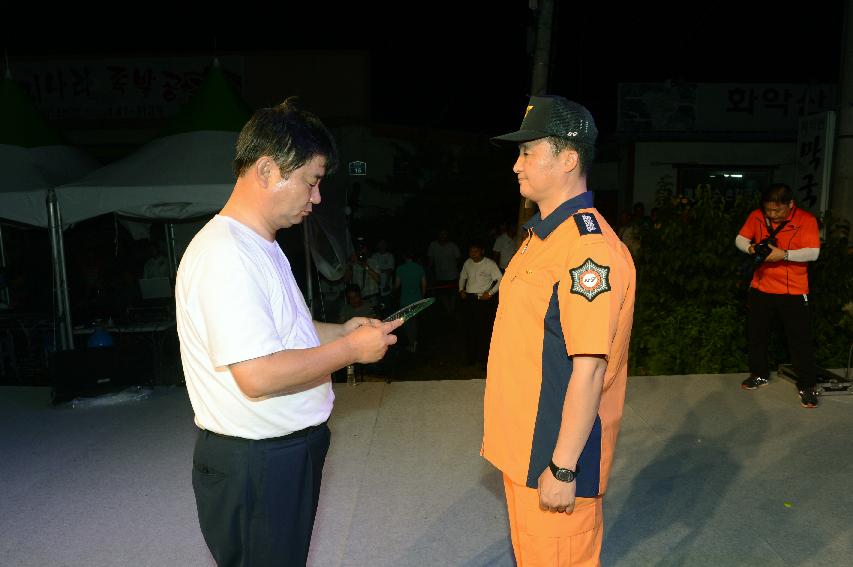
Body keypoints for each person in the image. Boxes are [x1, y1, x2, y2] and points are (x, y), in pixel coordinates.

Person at [175, 98, 402, 567]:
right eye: (311, 181)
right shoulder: (227, 255)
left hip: (277, 453)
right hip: (258, 462)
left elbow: (284, 332)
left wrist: (341, 329)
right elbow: (257, 374)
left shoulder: (261, 245)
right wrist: (350, 350)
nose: (316, 198)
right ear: (266, 170)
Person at [483, 95, 636, 566]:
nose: (516, 166)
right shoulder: (543, 237)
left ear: (568, 159)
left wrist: (563, 467)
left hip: (551, 455)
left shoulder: (588, 251)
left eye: (528, 152)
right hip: (521, 448)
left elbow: (590, 368)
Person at [735, 183, 821, 408]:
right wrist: (752, 249)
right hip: (761, 287)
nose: (772, 215)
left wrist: (785, 254)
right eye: (768, 210)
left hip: (793, 290)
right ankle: (759, 374)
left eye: (777, 210)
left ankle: (807, 386)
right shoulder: (756, 216)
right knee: (756, 334)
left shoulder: (806, 220)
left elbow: (813, 252)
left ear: (790, 205)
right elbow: (740, 239)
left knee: (799, 340)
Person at [458, 240, 502, 367]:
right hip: (470, 300)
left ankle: (484, 360)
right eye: (471, 251)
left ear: (482, 251)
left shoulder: (489, 264)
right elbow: (462, 276)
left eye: (476, 251)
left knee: (484, 330)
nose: (473, 254)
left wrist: (491, 292)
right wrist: (461, 289)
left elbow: (500, 279)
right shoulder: (467, 263)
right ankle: (471, 358)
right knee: (470, 329)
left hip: (483, 301)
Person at [394, 249, 427, 353]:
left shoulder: (400, 269)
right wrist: (422, 296)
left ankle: (412, 343)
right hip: (417, 298)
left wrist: (392, 290)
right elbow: (424, 284)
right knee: (414, 322)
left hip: (405, 299)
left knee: (407, 323)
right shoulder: (419, 268)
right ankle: (413, 342)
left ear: (404, 257)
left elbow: (397, 285)